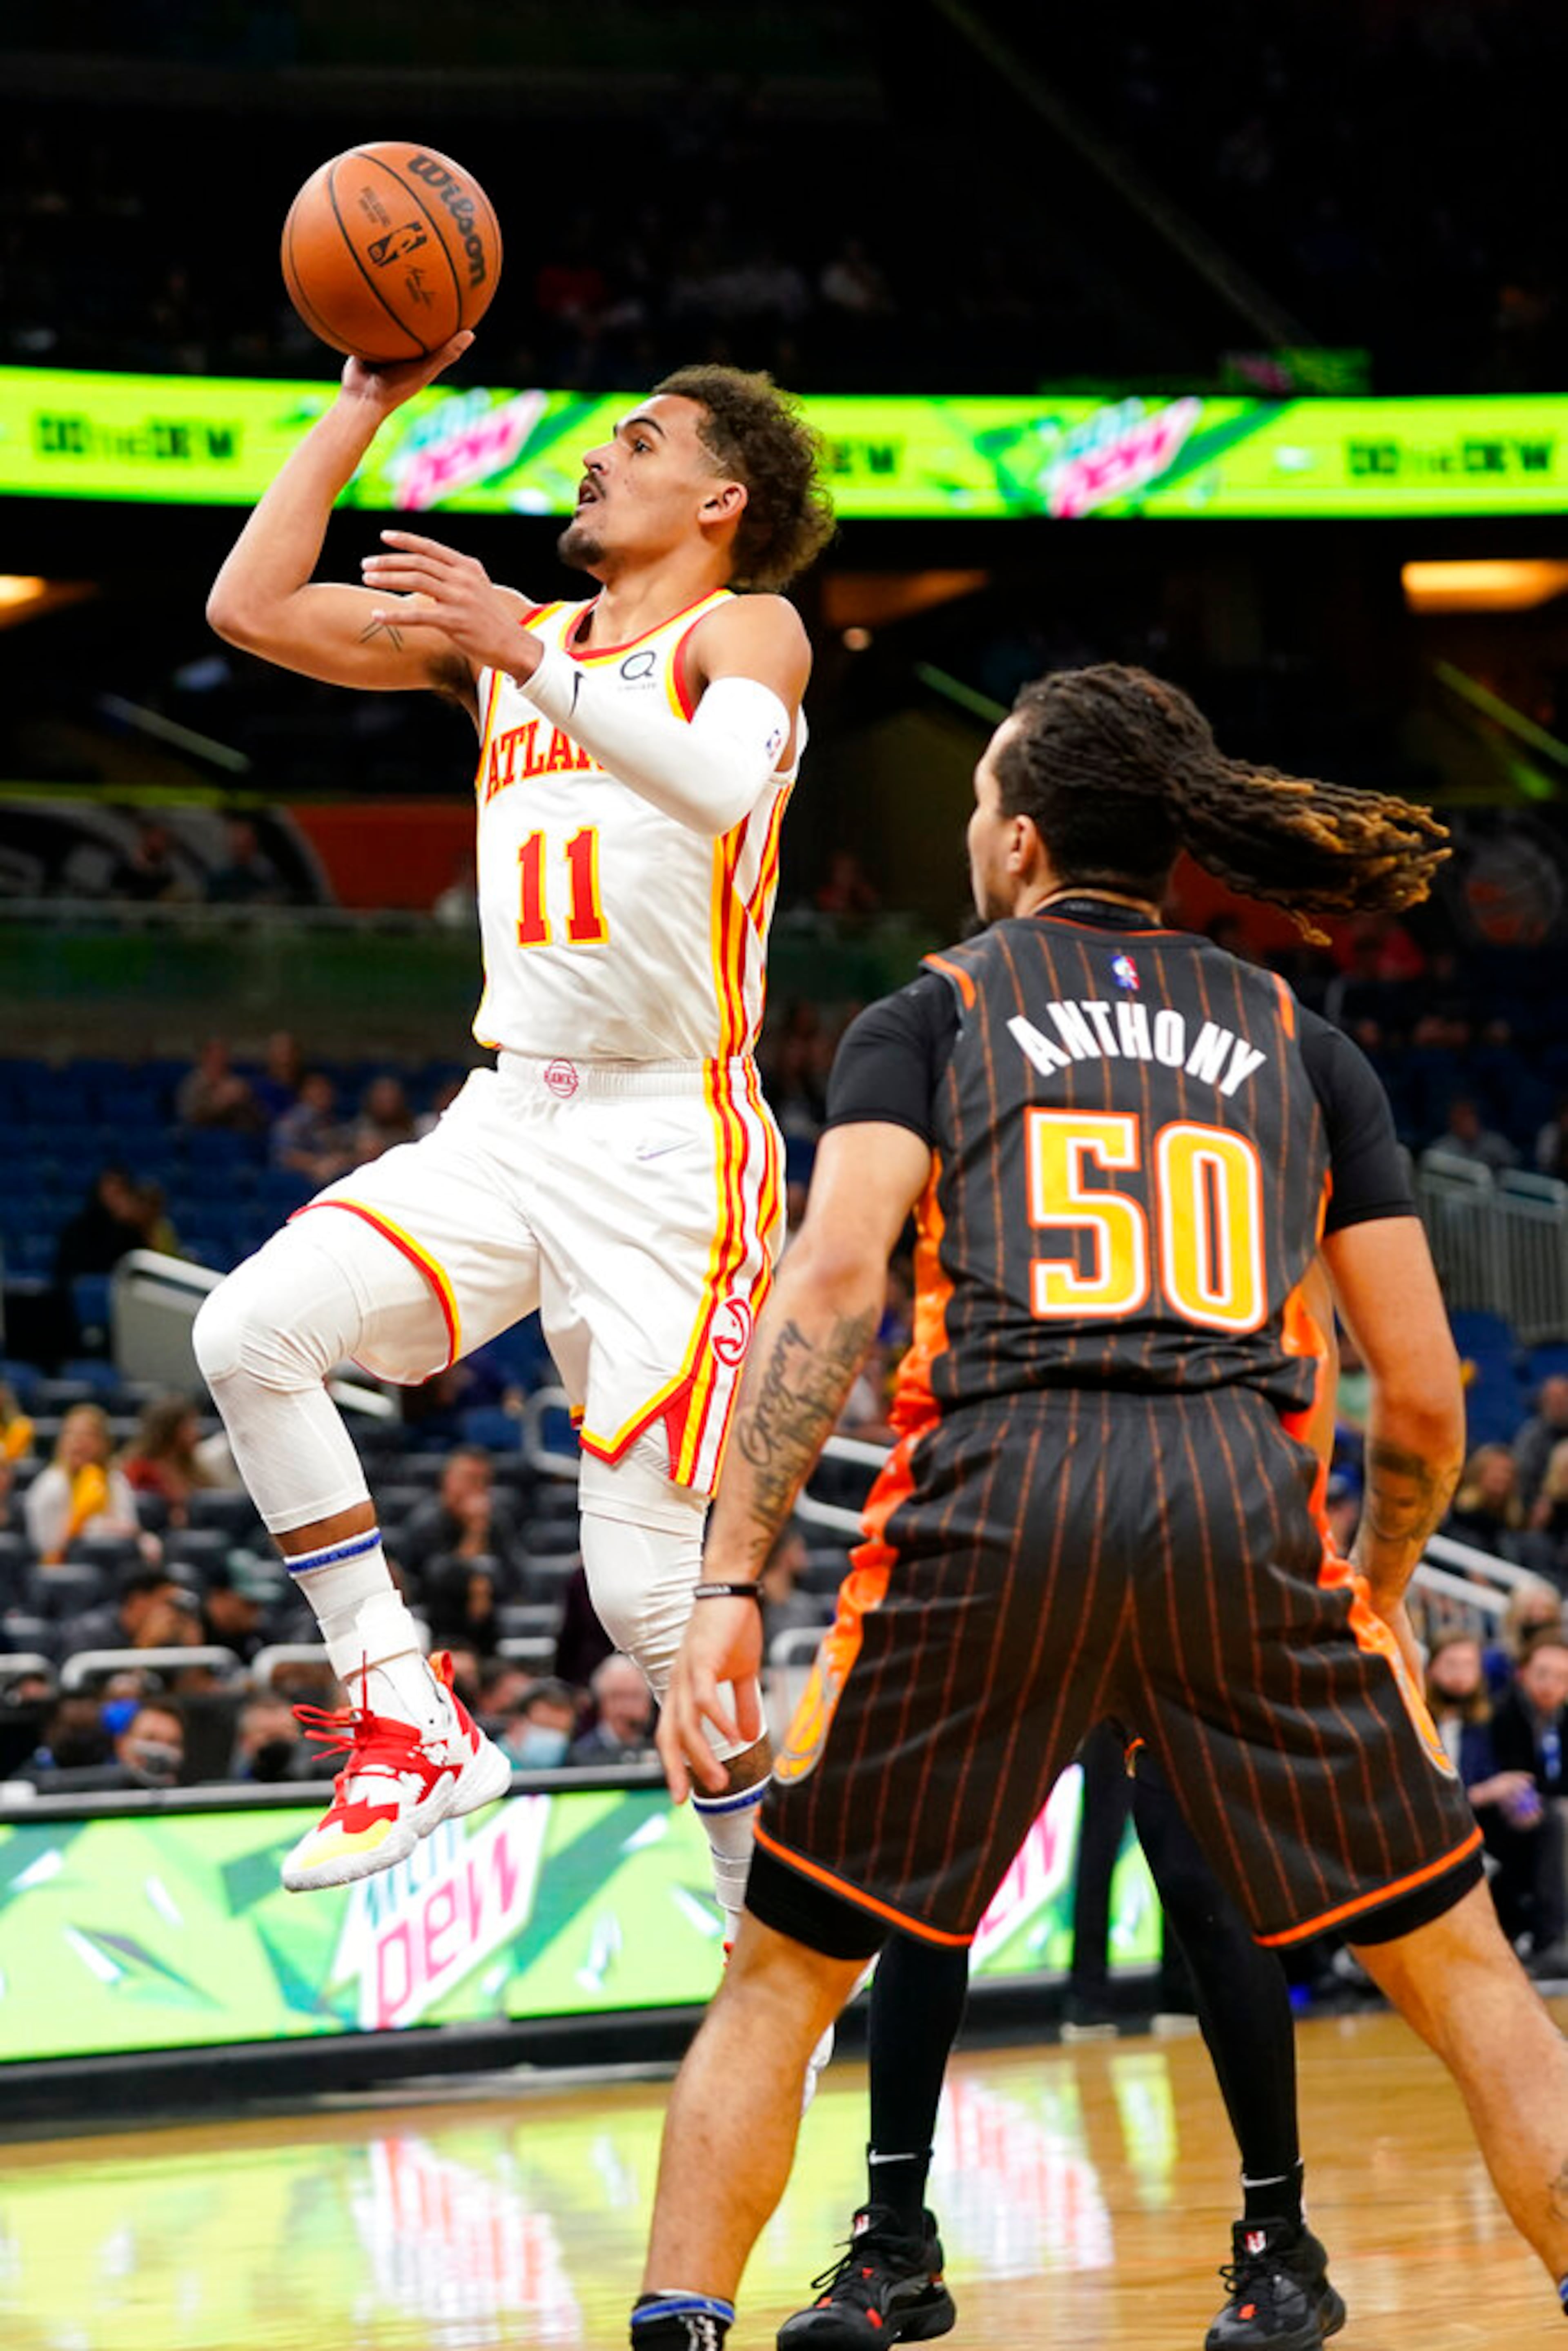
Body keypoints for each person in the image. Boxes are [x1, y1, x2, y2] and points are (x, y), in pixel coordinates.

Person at [634, 666, 1568, 2349]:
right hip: (1238, 1501)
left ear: (1022, 838)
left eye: (981, 797)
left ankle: (687, 2317)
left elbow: (832, 1286)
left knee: (780, 1976)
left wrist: (728, 1580)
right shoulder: (1306, 1040)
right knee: (1474, 1980)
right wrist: (1371, 1592)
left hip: (1000, 1490)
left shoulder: (931, 1010)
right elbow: (1426, 1399)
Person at [196, 331, 832, 1903]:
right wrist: (363, 406)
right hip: (510, 1114)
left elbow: (722, 790)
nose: (601, 452)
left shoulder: (745, 628)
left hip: (673, 1143)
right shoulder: (515, 642)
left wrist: (520, 655)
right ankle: (403, 1707)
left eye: (644, 438)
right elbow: (249, 609)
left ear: (722, 499)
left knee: (650, 1602)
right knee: (248, 1333)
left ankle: (778, 1935)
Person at [24, 1404, 140, 1564]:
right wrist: (93, 1526)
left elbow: (129, 1527)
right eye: (71, 1434)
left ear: (104, 1443)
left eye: (88, 1435)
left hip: (114, 1562)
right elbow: (47, 1544)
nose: (78, 1442)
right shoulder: (50, 1484)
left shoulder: (115, 1480)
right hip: (66, 1566)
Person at [118, 1394, 215, 1528]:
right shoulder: (138, 1470)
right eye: (190, 1426)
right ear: (170, 1430)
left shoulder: (194, 1468)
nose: (197, 1432)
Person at [569, 1652, 658, 1765]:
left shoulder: (662, 1748)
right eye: (618, 1696)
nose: (627, 1706)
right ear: (601, 1701)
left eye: (636, 1696)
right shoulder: (581, 1756)